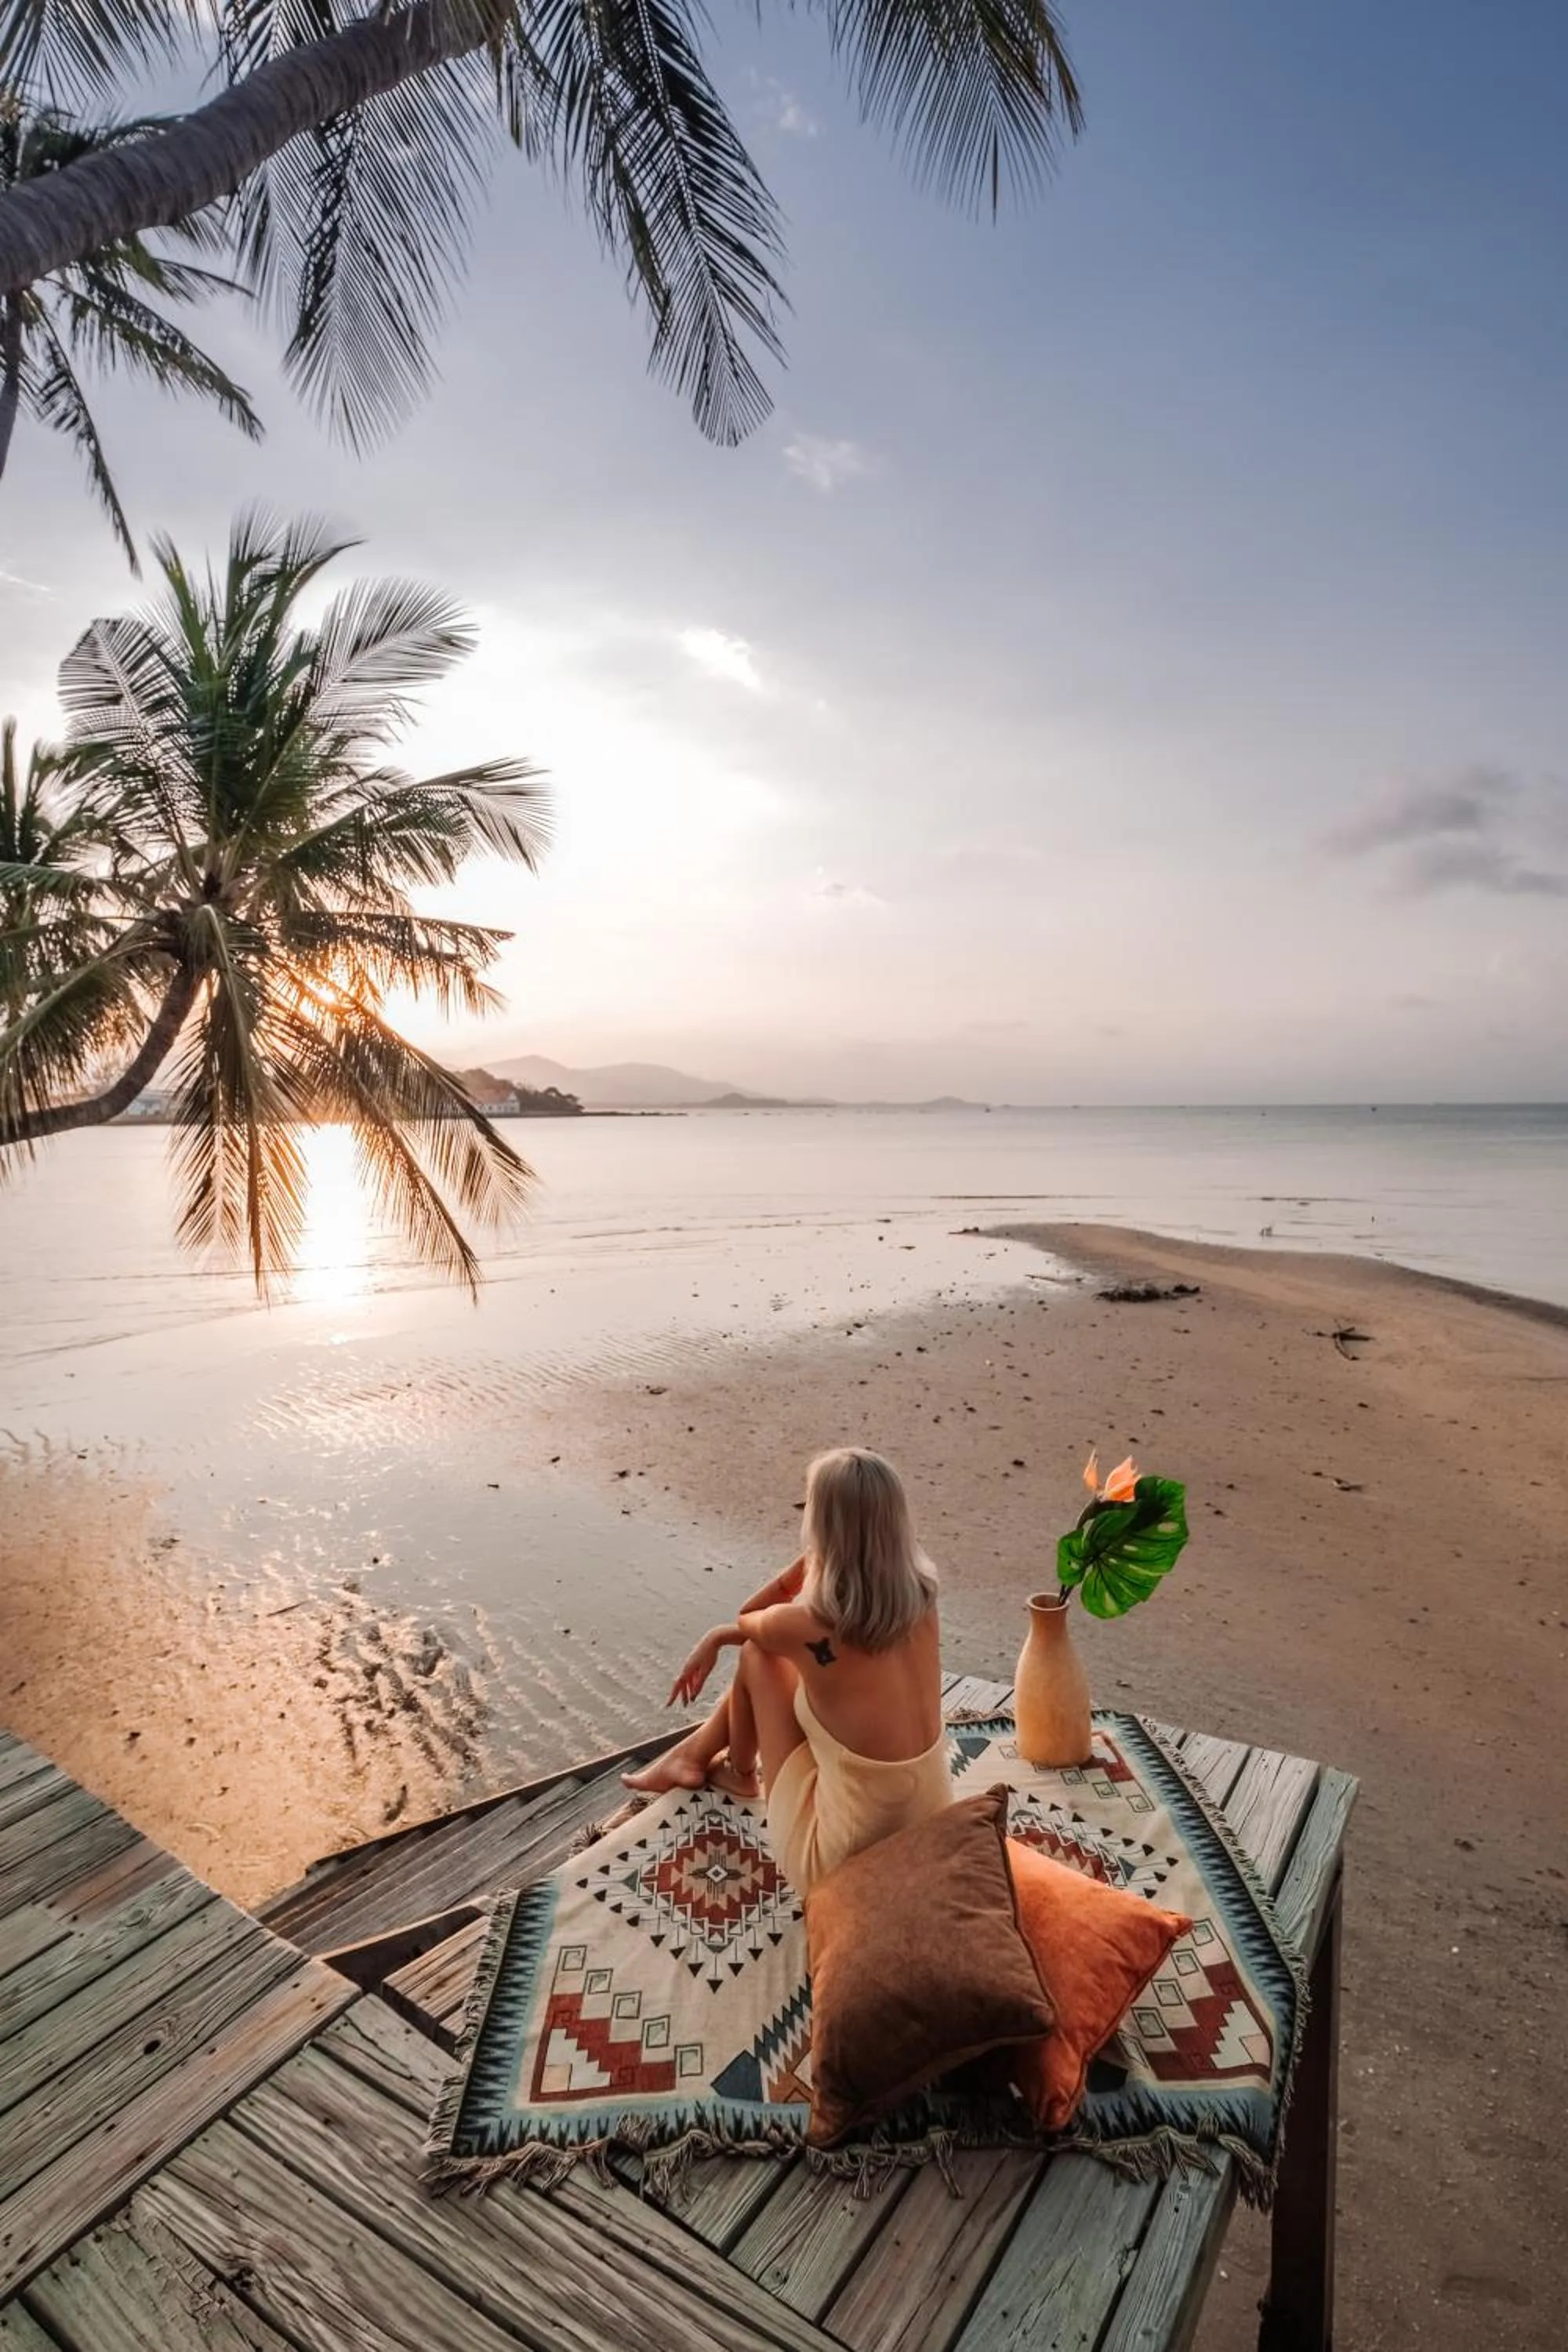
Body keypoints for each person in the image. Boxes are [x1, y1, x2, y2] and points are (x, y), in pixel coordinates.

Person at [623, 1447, 952, 1891]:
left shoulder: (805, 1626)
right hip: (930, 1831)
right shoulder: (923, 1601)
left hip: (844, 1864)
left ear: (822, 1528)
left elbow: (748, 1618)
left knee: (758, 1655)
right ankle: (698, 1759)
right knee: (787, 1662)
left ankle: (732, 1771)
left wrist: (718, 1637)